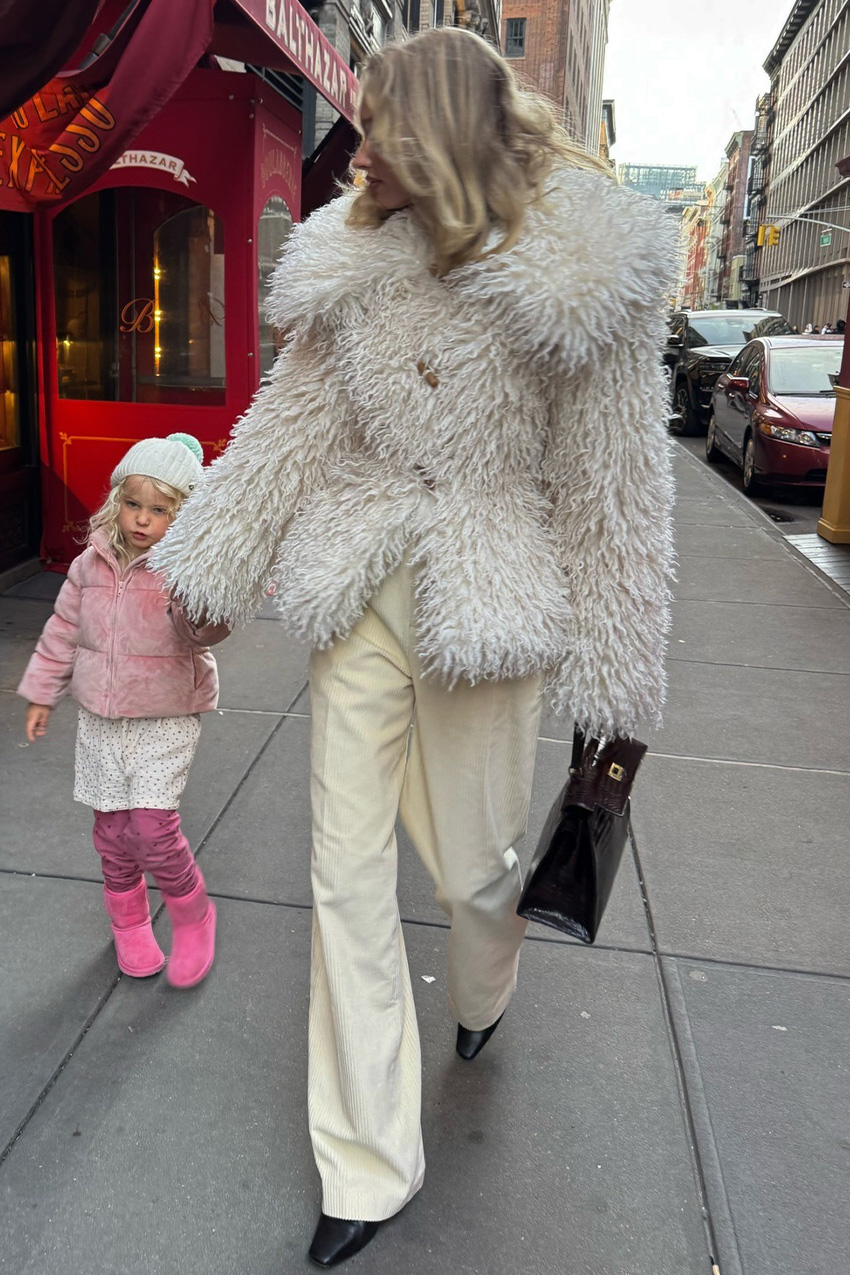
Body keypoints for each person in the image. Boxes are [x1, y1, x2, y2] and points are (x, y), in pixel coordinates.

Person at [152, 28, 676, 1268]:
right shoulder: (349, 262)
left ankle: (485, 992)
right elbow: (287, 428)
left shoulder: (578, 278)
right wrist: (207, 571)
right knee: (341, 880)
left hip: (491, 603)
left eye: (382, 122)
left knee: (471, 871)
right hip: (361, 590)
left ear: (439, 136)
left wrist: (621, 684)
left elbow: (616, 498)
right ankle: (366, 1161)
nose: (359, 145)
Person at [19, 434, 229, 989]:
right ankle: (130, 924)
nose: (142, 520)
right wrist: (43, 691)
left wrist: (200, 601)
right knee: (112, 832)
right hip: (101, 721)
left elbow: (208, 630)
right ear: (117, 501)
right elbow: (63, 631)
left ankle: (192, 913)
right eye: (133, 504)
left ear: (181, 514)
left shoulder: (186, 568)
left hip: (165, 713)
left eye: (159, 510)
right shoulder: (90, 564)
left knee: (153, 828)